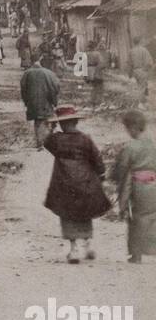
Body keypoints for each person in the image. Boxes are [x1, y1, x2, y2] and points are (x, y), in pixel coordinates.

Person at [42, 105, 111, 263]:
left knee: (67, 215)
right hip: (85, 182)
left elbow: (46, 142)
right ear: (76, 121)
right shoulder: (85, 139)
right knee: (84, 213)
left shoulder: (57, 140)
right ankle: (87, 246)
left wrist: (51, 128)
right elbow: (97, 159)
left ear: (61, 124)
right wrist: (101, 174)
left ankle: (73, 250)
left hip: (64, 184)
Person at [113, 110, 156, 264]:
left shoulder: (130, 147)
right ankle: (151, 250)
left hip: (138, 186)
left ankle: (136, 254)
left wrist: (117, 180)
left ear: (133, 127)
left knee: (136, 220)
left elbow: (122, 168)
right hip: (154, 186)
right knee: (151, 218)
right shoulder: (152, 144)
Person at [21, 54, 60, 148]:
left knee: (37, 121)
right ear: (40, 60)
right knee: (49, 119)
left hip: (33, 102)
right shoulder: (48, 73)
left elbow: (23, 89)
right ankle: (48, 141)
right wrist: (54, 101)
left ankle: (40, 143)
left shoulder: (27, 73)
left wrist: (27, 102)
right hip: (46, 102)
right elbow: (56, 87)